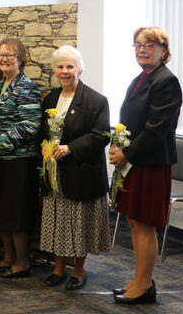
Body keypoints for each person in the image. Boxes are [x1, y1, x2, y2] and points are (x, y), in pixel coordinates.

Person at [109, 27, 182, 304]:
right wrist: (117, 145)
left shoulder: (167, 81)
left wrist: (127, 155)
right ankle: (140, 280)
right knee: (134, 222)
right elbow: (129, 121)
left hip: (150, 163)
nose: (142, 49)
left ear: (164, 50)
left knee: (145, 223)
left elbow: (155, 130)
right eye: (138, 44)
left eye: (150, 44)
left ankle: (144, 285)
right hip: (135, 161)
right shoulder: (142, 78)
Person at [38, 45, 111, 290]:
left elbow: (101, 135)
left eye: (70, 66)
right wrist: (45, 147)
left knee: (79, 227)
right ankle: (59, 268)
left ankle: (78, 270)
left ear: (80, 70)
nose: (65, 71)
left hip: (81, 173)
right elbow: (44, 132)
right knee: (58, 223)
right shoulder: (49, 98)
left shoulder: (96, 100)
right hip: (55, 176)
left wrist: (70, 148)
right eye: (60, 67)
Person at [0, 38, 41, 277]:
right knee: (1, 212)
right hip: (0, 160)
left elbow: (30, 126)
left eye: (10, 55)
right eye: (1, 55)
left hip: (19, 160)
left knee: (16, 215)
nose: (4, 59)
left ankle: (22, 263)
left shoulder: (27, 87)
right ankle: (7, 257)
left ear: (21, 59)